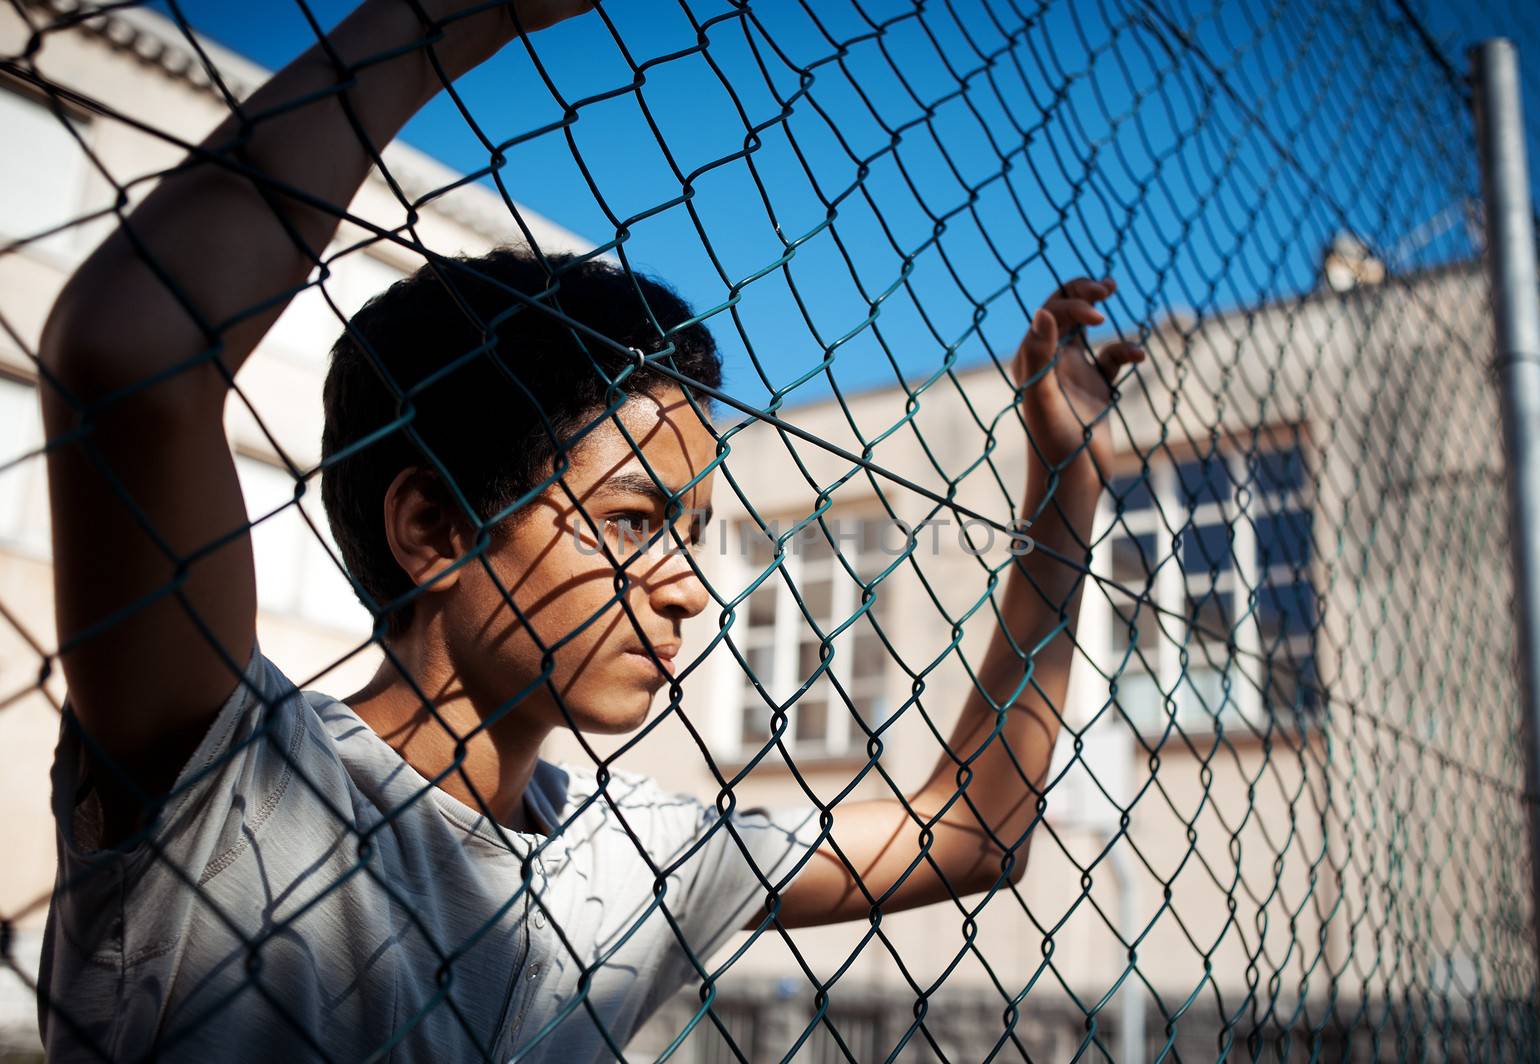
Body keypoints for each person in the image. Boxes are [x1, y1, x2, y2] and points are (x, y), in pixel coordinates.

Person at [34, 1, 1144, 1060]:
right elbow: (130, 359)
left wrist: (1067, 489)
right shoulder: (236, 776)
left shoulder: (636, 855)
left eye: (692, 530)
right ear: (433, 526)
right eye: (627, 521)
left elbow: (969, 831)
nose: (688, 590)